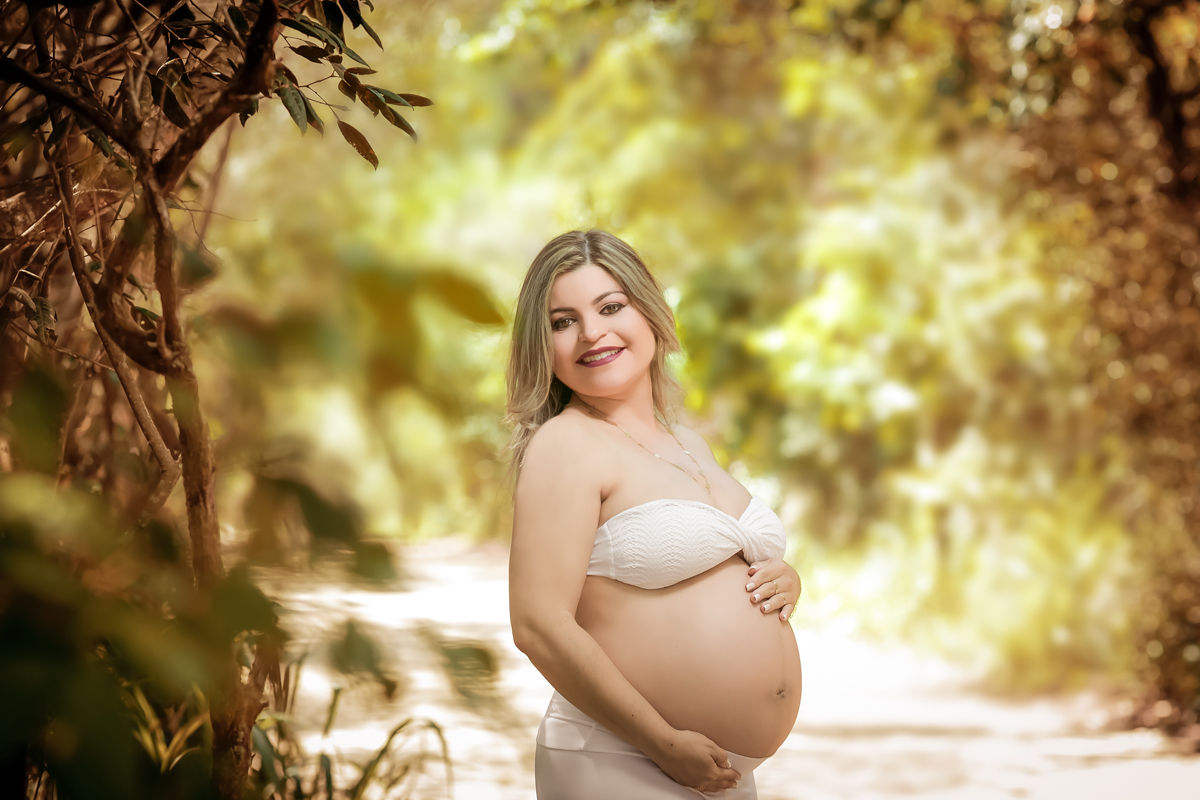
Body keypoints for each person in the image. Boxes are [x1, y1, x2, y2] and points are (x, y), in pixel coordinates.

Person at [505, 230, 803, 798]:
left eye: (610, 307)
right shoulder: (566, 444)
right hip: (623, 758)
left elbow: (714, 566)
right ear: (541, 344)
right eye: (563, 321)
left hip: (719, 772)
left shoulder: (688, 442)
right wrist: (663, 744)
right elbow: (538, 625)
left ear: (648, 311)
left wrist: (784, 580)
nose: (592, 333)